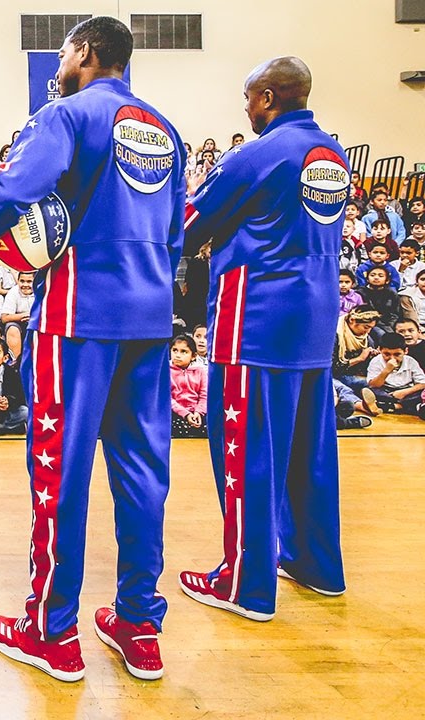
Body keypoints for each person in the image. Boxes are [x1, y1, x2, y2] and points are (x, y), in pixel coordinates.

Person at [0, 17, 185, 682]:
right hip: (151, 318)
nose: (63, 60)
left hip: (78, 319)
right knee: (142, 475)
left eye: (68, 50)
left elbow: (15, 191)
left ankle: (51, 631)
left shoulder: (65, 115)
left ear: (88, 52)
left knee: (60, 474)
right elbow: (178, 233)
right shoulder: (165, 129)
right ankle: (138, 625)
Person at [179, 56, 348, 628]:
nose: (246, 109)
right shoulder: (332, 154)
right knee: (311, 451)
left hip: (255, 321)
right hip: (314, 320)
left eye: (250, 98)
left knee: (248, 454)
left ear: (270, 97)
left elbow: (188, 225)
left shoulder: (256, 154)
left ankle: (243, 582)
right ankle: (316, 565)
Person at [361, 332, 425, 417]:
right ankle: (405, 407)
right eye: (387, 354)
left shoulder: (411, 361)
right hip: (386, 390)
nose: (392, 358)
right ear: (380, 350)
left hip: (406, 391)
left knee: (420, 394)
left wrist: (404, 392)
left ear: (405, 351)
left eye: (397, 354)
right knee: (371, 391)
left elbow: (422, 383)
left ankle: (391, 406)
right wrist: (386, 371)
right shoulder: (376, 361)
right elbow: (374, 385)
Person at [169, 335, 208, 438]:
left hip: (197, 413)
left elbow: (204, 396)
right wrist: (185, 414)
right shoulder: (166, 371)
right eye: (175, 350)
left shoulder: (200, 371)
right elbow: (168, 398)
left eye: (183, 352)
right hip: (176, 413)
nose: (177, 355)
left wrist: (199, 412)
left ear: (193, 356)